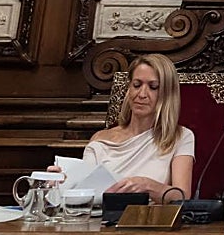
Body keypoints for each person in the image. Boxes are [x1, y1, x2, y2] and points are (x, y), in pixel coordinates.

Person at [63, 54, 195, 203]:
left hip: (150, 221)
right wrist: (63, 183)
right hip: (102, 221)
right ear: (128, 89)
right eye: (137, 85)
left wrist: (148, 186)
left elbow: (182, 196)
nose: (142, 94)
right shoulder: (100, 139)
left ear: (167, 94)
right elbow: (84, 193)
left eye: (153, 87)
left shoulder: (180, 136)